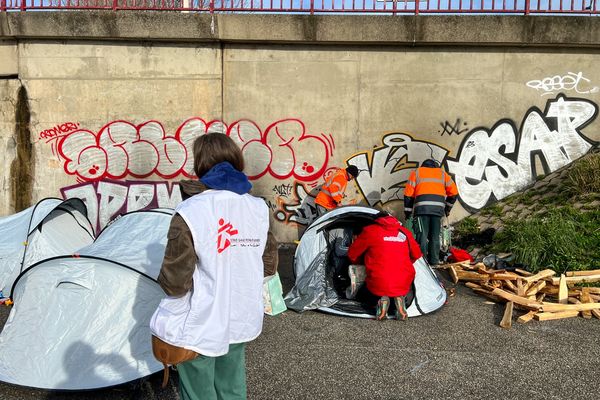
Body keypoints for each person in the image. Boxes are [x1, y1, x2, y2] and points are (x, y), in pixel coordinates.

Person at [151, 132, 276, 400]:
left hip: (201, 318)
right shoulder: (258, 207)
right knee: (231, 388)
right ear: (236, 159)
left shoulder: (190, 210)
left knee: (198, 390)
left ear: (200, 164)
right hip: (242, 314)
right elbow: (268, 266)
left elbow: (175, 282)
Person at [347, 212, 422, 321]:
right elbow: (417, 254)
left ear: (377, 221)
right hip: (403, 280)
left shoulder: (370, 230)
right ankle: (399, 299)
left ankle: (381, 300)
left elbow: (352, 254)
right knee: (400, 287)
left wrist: (362, 262)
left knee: (362, 294)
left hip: (378, 280)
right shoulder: (404, 232)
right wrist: (404, 263)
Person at [403, 159, 458, 266]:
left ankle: (422, 263)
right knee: (435, 236)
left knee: (422, 236)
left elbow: (408, 195)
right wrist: (447, 209)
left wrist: (408, 212)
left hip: (422, 210)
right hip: (437, 211)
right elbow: (454, 193)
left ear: (423, 166)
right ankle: (434, 261)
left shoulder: (417, 172)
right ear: (435, 166)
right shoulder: (442, 174)